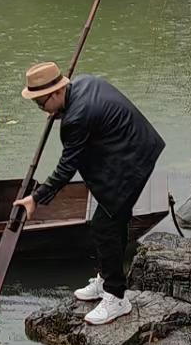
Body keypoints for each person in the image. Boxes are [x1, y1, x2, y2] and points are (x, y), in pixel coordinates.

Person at [18, 60, 164, 325]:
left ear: (57, 93)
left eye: (42, 104)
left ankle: (117, 297)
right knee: (112, 221)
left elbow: (66, 168)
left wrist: (36, 198)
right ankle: (106, 278)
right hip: (125, 150)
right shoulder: (82, 83)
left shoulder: (76, 117)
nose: (43, 111)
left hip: (132, 159)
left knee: (104, 226)